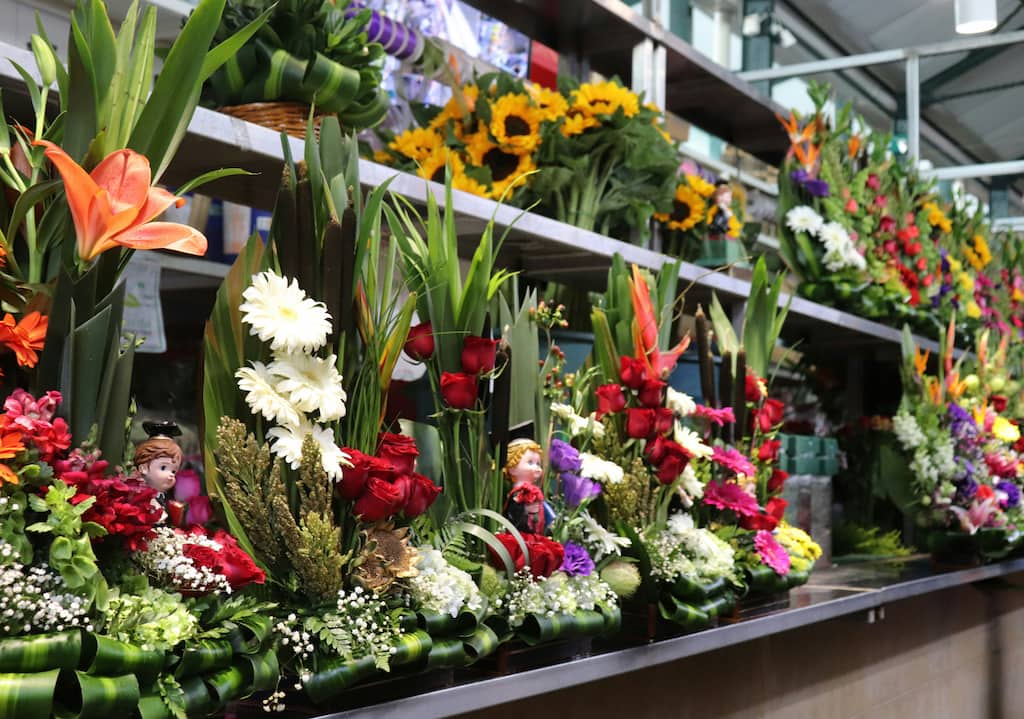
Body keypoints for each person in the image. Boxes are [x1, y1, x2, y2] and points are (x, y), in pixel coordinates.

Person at [133, 421, 185, 524]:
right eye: (163, 467)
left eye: (174, 471)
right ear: (143, 468)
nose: (171, 475)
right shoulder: (141, 496)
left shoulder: (166, 498)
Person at [502, 438, 554, 534]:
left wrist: (550, 518)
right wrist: (525, 510)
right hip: (521, 536)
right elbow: (512, 514)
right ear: (512, 468)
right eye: (530, 462)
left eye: (538, 464)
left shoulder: (535, 491)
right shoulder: (517, 494)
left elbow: (543, 506)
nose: (537, 468)